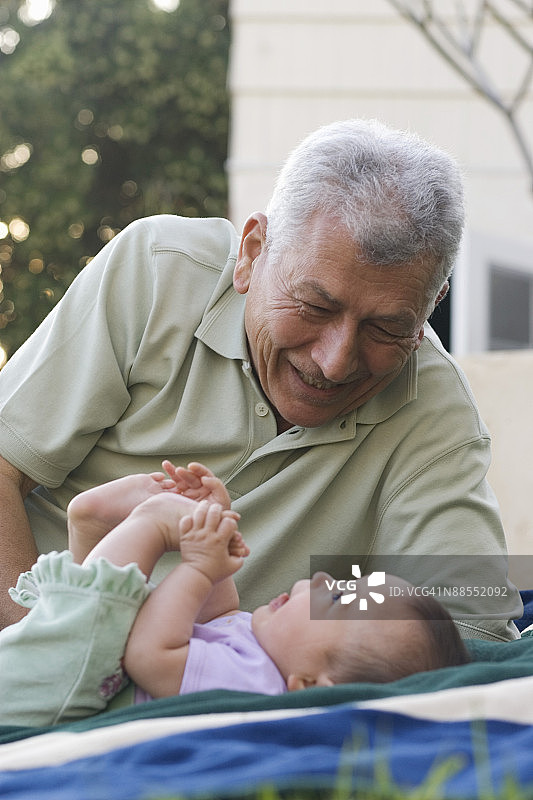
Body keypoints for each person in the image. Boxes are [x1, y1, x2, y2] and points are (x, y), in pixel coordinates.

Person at [0, 118, 522, 638]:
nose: (335, 361)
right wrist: (44, 651)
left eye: (385, 328)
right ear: (252, 252)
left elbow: (471, 626)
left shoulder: (434, 405)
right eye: (315, 306)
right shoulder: (158, 271)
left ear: (431, 306)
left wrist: (341, 602)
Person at [0, 462, 470, 728]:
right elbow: (218, 615)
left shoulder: (255, 688)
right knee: (107, 620)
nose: (324, 580)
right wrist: (215, 528)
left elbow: (149, 655)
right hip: (73, 673)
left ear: (310, 685)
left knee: (105, 622)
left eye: (337, 600)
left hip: (50, 697)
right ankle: (93, 533)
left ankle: (141, 523)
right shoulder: (262, 653)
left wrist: (195, 562)